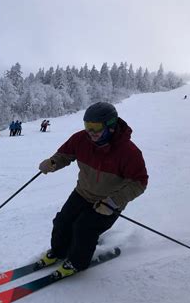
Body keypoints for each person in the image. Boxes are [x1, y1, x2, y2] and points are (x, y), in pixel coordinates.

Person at [37, 102, 148, 278]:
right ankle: (59, 252)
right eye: (87, 126)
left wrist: (114, 202)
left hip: (107, 202)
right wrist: (52, 162)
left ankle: (76, 263)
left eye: (95, 127)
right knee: (62, 221)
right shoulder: (81, 139)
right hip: (83, 193)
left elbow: (139, 183)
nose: (91, 132)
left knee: (84, 228)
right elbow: (64, 155)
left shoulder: (128, 152)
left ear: (111, 126)